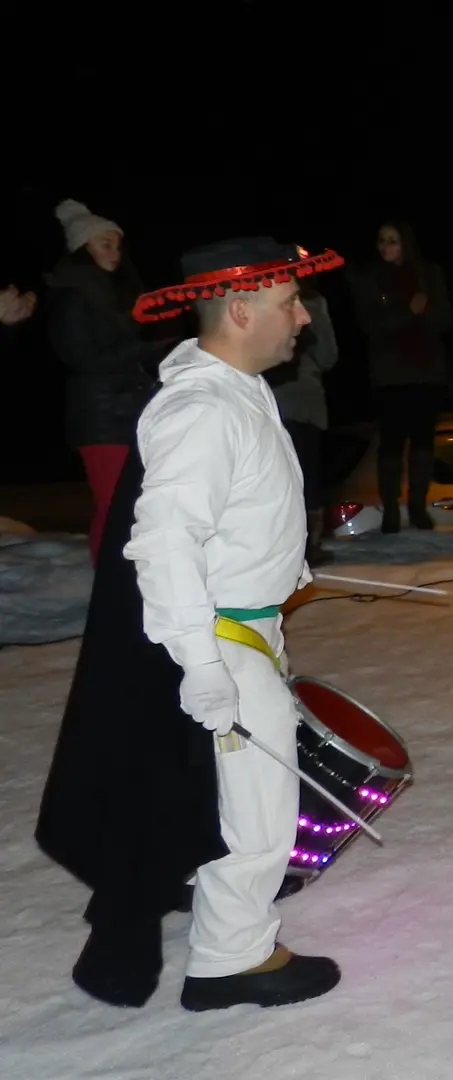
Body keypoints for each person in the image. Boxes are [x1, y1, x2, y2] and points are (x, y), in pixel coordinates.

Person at [38, 237, 345, 1010]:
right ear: (241, 311)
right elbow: (163, 540)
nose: (302, 318)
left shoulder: (235, 390)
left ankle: (229, 945)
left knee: (246, 802)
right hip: (220, 644)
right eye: (288, 304)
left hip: (243, 633)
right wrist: (203, 666)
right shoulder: (203, 407)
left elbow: (231, 517)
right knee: (258, 814)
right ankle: (229, 961)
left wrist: (279, 570)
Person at [45, 199, 170, 563]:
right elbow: (83, 358)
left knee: (134, 503)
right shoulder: (72, 296)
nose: (115, 252)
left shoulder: (117, 294)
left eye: (117, 244)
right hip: (98, 416)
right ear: (84, 247)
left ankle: (126, 579)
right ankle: (109, 582)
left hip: (130, 409)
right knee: (114, 504)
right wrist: (145, 349)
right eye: (105, 244)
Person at [349, 220, 453, 532]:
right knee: (391, 445)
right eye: (382, 240)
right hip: (390, 375)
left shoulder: (428, 274)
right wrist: (408, 311)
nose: (386, 247)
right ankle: (391, 509)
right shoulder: (371, 278)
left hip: (425, 373)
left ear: (405, 243)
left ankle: (418, 507)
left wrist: (425, 310)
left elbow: (445, 319)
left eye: (392, 240)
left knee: (423, 443)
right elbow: (369, 323)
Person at [267, 283, 338, 565]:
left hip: (274, 400)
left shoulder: (264, 293)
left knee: (281, 477)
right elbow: (328, 356)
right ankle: (305, 546)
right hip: (296, 400)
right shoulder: (312, 302)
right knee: (304, 475)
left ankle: (289, 546)